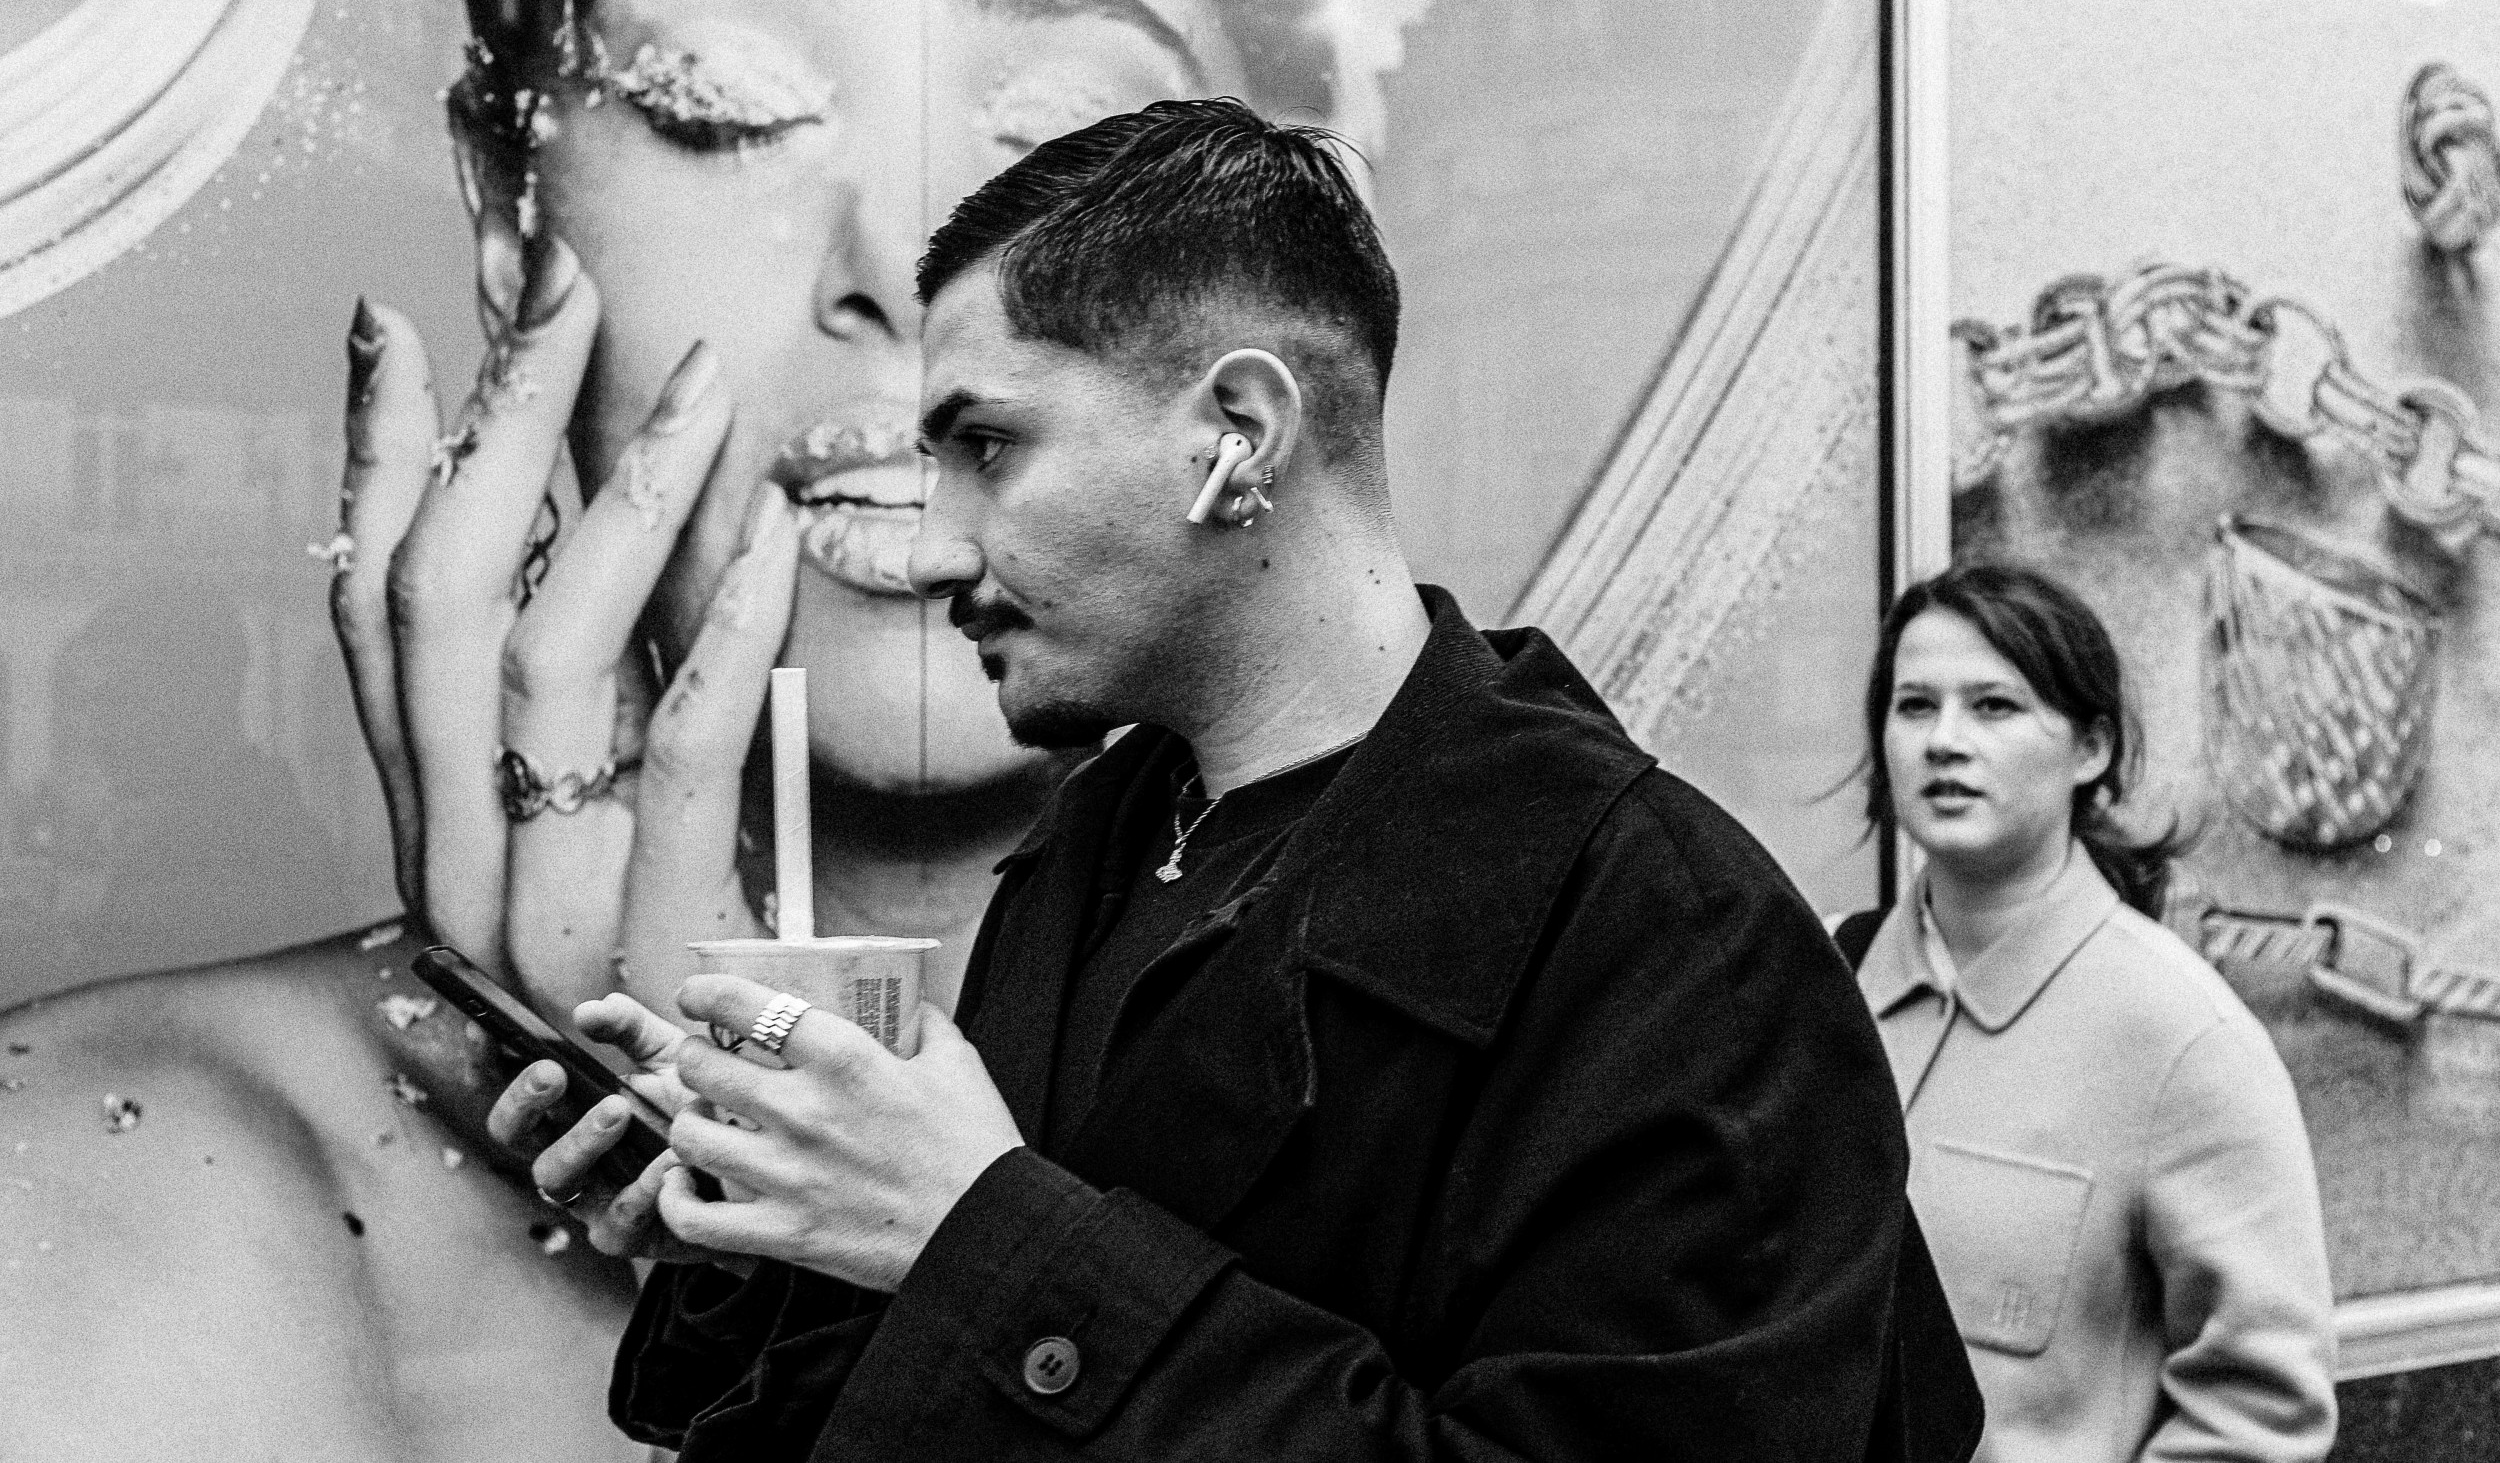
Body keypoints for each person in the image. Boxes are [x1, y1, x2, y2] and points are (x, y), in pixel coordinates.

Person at [0, 0, 1333, 1457]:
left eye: (1072, 130)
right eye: (722, 92)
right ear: (513, 213)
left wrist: (842, 1255)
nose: (907, 264)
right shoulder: (104, 1205)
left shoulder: (1546, 1107)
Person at [494, 98, 1984, 1462]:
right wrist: (776, 1225)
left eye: (989, 445)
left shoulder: (1672, 943)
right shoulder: (1097, 841)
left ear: (1239, 435)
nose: (936, 543)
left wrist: (984, 1238)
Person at [1839, 564, 2336, 1462]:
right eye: (1915, 706)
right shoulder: (1826, 983)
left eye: (1994, 706)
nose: (1944, 741)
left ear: (2091, 748)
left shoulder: (2184, 1036)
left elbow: (2262, 1414)